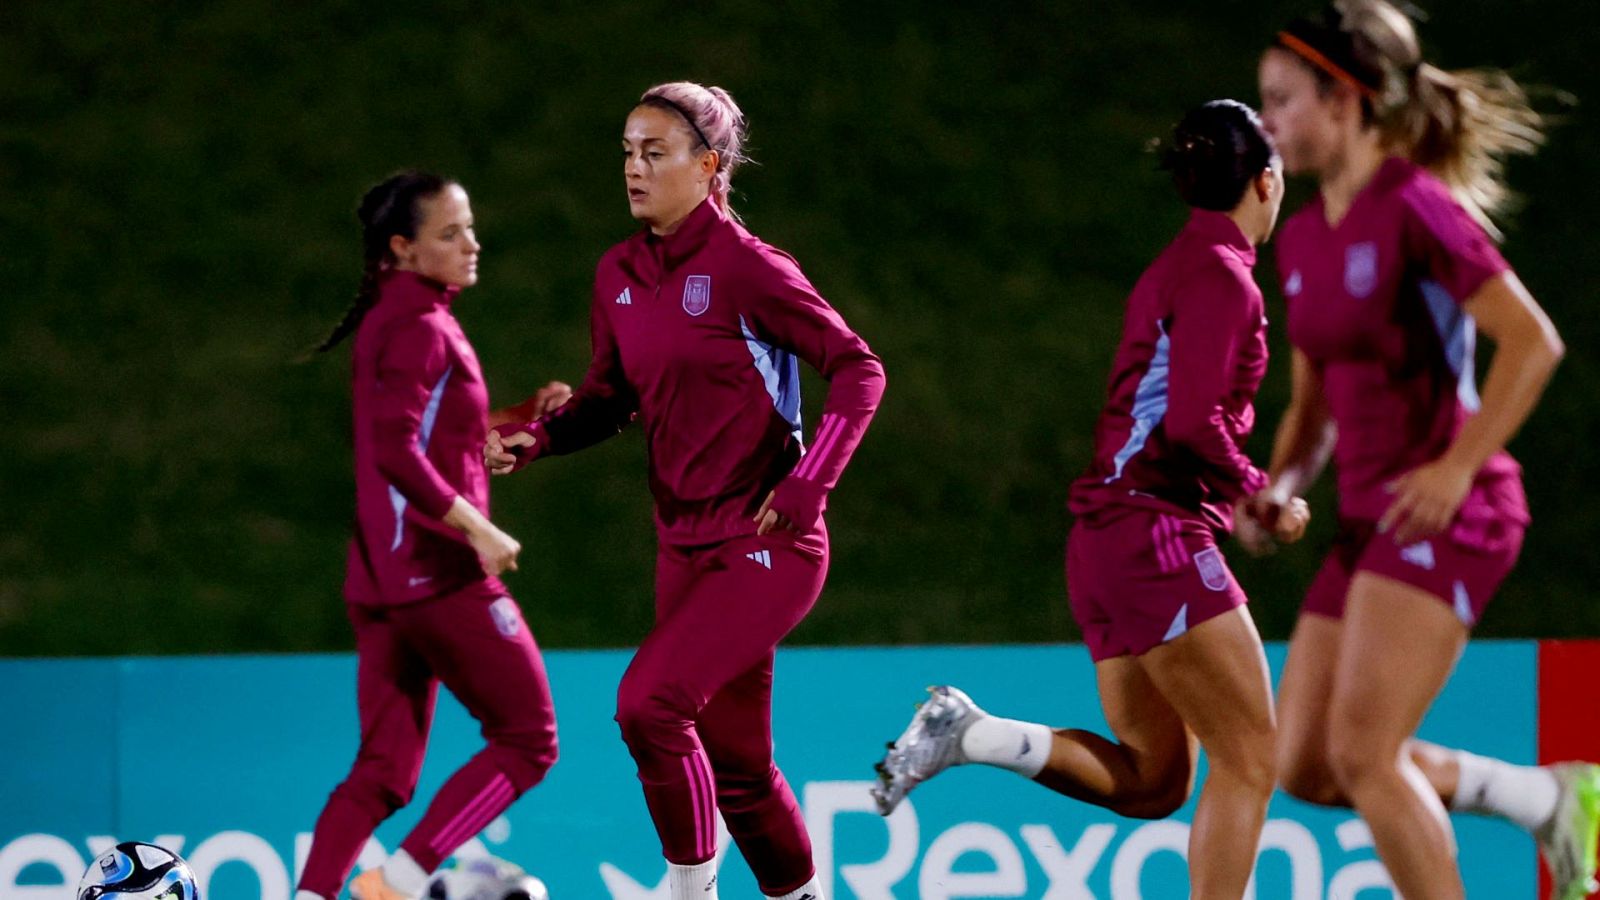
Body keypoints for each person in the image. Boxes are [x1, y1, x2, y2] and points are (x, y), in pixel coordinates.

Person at [873, 100, 1302, 899]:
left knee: (1154, 782)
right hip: (1157, 537)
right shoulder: (1223, 275)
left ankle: (975, 734)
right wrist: (1259, 491)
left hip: (1108, 544)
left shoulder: (1177, 265)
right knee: (1252, 758)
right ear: (1267, 181)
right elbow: (1191, 420)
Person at [487, 82, 885, 900]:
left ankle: (686, 889)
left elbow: (858, 369)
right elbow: (608, 400)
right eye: (628, 151)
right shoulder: (620, 273)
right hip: (684, 546)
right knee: (738, 767)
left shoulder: (750, 269)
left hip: (770, 539)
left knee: (648, 706)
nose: (634, 168)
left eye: (654, 153)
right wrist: (540, 440)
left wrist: (812, 482)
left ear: (708, 167)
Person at [1254, 3, 1597, 898]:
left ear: (1345, 100)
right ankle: (1543, 798)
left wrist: (1455, 466)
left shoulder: (1414, 206)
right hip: (1370, 522)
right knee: (1306, 765)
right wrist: (1279, 484)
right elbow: (1312, 407)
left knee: (1364, 755)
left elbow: (1532, 342)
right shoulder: (1297, 239)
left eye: (1283, 100)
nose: (1267, 123)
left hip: (1453, 508)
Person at [296, 171, 560, 900]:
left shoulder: (402, 318)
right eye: (451, 233)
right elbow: (393, 451)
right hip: (436, 575)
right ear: (403, 248)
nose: (472, 244)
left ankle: (312, 896)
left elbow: (437, 437)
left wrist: (517, 418)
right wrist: (477, 528)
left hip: (380, 580)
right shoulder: (418, 326)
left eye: (469, 226)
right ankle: (399, 881)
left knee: (383, 773)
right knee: (529, 741)